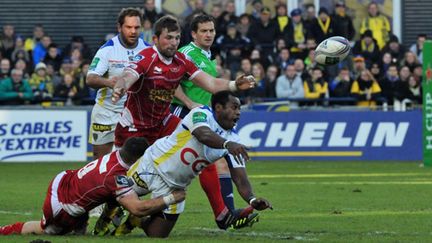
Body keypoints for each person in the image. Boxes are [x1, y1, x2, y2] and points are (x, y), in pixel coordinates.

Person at [96, 15, 256, 233]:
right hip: (135, 128)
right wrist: (121, 85)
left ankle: (221, 213)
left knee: (204, 153)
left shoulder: (181, 61)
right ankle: (109, 212)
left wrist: (233, 85)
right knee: (122, 180)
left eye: (176, 38)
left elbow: (210, 83)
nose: (172, 42)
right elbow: (128, 75)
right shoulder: (147, 57)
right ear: (155, 39)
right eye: (168, 38)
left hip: (164, 121)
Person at [113, 91, 272, 237]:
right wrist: (227, 145)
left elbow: (240, 178)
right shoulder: (201, 113)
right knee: (115, 194)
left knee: (157, 234)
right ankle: (98, 221)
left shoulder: (234, 140)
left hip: (176, 187)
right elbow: (203, 134)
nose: (238, 112)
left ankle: (136, 220)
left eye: (240, 109)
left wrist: (252, 200)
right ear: (218, 107)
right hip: (153, 166)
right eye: (234, 107)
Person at [0, 137, 186, 236]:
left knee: (82, 226)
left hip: (66, 179)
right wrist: (172, 198)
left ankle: (96, 224)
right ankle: (3, 231)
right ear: (137, 158)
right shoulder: (115, 176)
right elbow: (137, 208)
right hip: (63, 204)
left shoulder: (117, 155)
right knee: (48, 230)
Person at [171, 14, 245, 217]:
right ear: (193, 34)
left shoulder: (207, 54)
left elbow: (210, 86)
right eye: (203, 31)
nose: (209, 34)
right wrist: (189, 103)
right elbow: (171, 81)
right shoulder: (186, 53)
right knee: (175, 166)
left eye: (211, 30)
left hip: (202, 115)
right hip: (182, 113)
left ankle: (228, 213)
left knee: (217, 160)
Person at [86, 7, 150, 160]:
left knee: (133, 164)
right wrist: (109, 82)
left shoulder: (148, 50)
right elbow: (90, 79)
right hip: (106, 113)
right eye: (128, 27)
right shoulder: (107, 50)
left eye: (136, 27)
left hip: (134, 116)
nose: (133, 31)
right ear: (119, 27)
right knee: (100, 164)